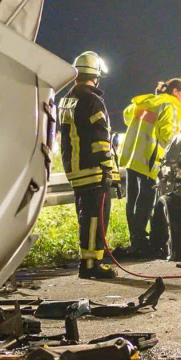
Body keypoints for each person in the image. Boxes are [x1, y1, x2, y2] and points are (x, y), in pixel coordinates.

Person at [59, 51, 120, 280]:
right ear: (96, 75)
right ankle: (92, 264)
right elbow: (100, 137)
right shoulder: (92, 100)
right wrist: (107, 168)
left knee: (85, 216)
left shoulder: (68, 98)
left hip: (75, 168)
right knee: (96, 217)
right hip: (93, 168)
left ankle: (87, 260)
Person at [119, 78, 181, 258]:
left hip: (132, 158)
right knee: (145, 203)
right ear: (175, 92)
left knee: (132, 202)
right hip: (149, 160)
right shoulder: (169, 105)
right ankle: (142, 244)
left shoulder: (147, 102)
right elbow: (168, 135)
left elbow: (128, 116)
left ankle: (135, 241)